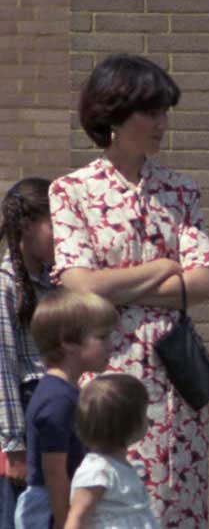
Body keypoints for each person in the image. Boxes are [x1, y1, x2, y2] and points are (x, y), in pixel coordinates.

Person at [49, 54, 209, 527]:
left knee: (175, 503)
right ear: (115, 116)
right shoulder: (71, 191)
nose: (164, 123)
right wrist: (164, 267)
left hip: (175, 380)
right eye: (153, 112)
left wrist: (117, 286)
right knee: (109, 505)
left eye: (166, 111)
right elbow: (78, 284)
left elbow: (203, 282)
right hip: (105, 378)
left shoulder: (180, 191)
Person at [14, 289, 117, 529]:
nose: (111, 345)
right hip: (50, 509)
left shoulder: (65, 391)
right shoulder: (57, 400)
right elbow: (54, 473)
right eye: (102, 337)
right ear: (68, 342)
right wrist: (66, 521)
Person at [0, 179, 55, 529]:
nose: (63, 234)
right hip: (26, 414)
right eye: (54, 224)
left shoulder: (55, 281)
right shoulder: (5, 285)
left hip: (55, 413)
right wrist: (14, 445)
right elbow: (3, 368)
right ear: (26, 225)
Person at [65, 374, 157, 529]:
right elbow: (77, 518)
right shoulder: (97, 470)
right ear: (128, 424)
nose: (149, 419)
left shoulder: (121, 465)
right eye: (143, 414)